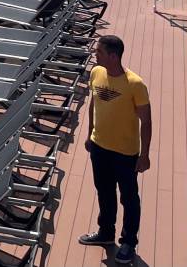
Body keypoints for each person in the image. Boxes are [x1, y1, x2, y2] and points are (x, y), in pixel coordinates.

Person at [78, 35, 151, 264]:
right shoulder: (96, 73)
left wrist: (145, 155)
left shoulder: (135, 84)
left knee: (129, 198)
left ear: (113, 55)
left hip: (125, 153)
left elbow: (146, 121)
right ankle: (106, 233)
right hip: (99, 147)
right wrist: (90, 133)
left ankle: (128, 241)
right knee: (104, 191)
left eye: (98, 52)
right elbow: (94, 103)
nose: (95, 55)